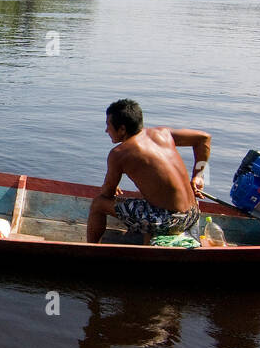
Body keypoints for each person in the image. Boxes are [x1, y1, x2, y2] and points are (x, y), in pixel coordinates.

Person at [86, 99, 210, 244]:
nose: (106, 130)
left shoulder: (118, 153)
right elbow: (204, 139)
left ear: (122, 129)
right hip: (193, 213)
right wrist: (200, 176)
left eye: (108, 125)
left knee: (98, 204)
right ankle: (147, 238)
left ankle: (91, 248)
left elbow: (106, 194)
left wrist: (112, 187)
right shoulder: (163, 133)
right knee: (142, 198)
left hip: (171, 221)